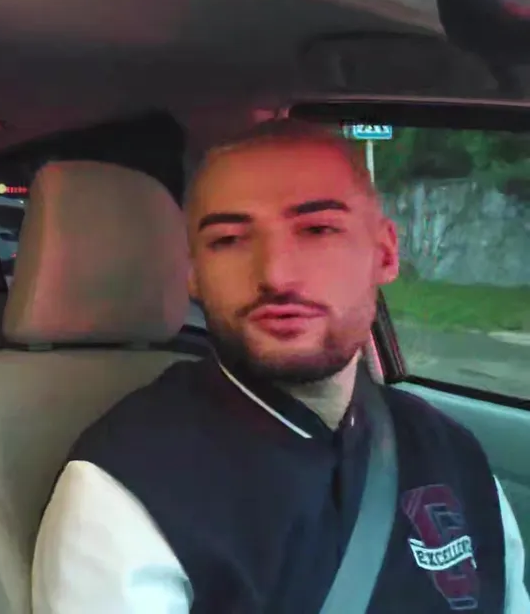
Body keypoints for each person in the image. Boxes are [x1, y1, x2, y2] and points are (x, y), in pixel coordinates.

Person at [32, 120, 530, 613]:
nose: (276, 274)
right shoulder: (130, 486)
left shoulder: (451, 450)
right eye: (229, 239)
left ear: (384, 253)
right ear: (192, 273)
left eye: (317, 229)